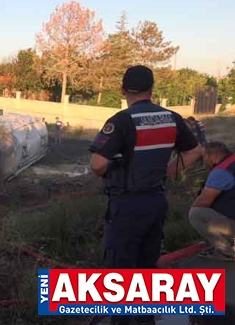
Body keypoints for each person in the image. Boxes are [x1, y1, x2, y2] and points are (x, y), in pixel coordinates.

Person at [89, 65, 202, 325]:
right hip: (156, 201)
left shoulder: (121, 121)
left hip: (127, 204)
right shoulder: (172, 118)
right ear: (152, 89)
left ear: (122, 89)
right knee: (147, 264)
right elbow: (194, 152)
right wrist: (166, 171)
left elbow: (97, 164)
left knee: (120, 270)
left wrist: (115, 169)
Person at [189, 142, 235, 260]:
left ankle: (226, 251)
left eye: (204, 157)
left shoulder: (221, 172)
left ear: (212, 157)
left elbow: (203, 201)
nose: (204, 160)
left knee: (196, 214)